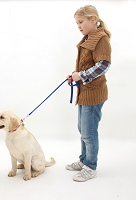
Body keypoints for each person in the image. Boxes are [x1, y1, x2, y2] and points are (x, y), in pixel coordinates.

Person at [66, 5, 111, 182]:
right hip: (84, 92)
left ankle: (91, 167)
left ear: (93, 19)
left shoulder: (101, 39)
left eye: (81, 22)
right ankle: (84, 160)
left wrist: (81, 75)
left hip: (94, 94)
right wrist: (75, 77)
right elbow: (87, 64)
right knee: (82, 129)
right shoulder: (89, 37)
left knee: (89, 133)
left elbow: (103, 65)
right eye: (77, 23)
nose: (78, 25)